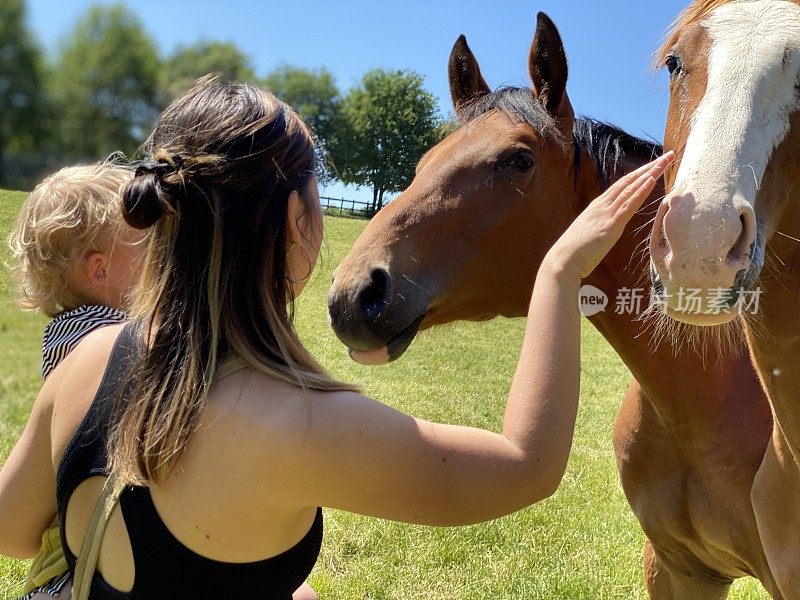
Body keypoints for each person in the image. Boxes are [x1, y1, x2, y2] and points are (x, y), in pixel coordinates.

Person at [0, 76, 674, 598]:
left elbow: (12, 529)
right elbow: (526, 465)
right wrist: (559, 271)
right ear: (299, 219)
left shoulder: (86, 356)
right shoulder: (298, 421)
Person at [7, 162, 143, 599]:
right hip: (77, 570)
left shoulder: (67, 331)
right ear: (100, 271)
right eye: (151, 246)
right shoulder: (101, 337)